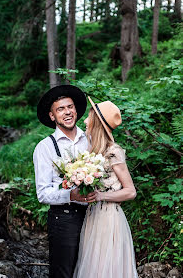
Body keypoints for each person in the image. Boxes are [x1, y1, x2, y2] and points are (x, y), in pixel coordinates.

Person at [33, 85, 95, 278]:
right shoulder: (44, 148)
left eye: (70, 107)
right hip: (64, 219)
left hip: (95, 217)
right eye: (60, 109)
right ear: (52, 116)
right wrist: (70, 194)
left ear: (76, 110)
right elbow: (43, 193)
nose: (67, 112)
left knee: (91, 271)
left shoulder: (91, 139)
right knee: (63, 273)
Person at [73, 96, 139, 278]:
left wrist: (101, 196)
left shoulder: (113, 152)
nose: (85, 120)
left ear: (97, 123)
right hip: (93, 217)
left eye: (89, 116)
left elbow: (130, 191)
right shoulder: (91, 152)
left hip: (110, 219)